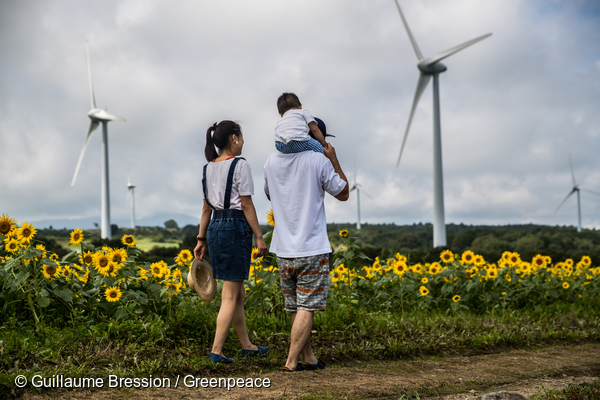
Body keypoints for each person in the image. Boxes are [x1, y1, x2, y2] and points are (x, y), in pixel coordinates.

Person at [263, 136, 349, 371]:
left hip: (283, 250)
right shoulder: (318, 161)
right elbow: (343, 193)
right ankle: (291, 363)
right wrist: (333, 159)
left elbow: (270, 194)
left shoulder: (271, 161)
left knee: (295, 306)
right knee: (307, 307)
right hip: (311, 248)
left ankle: (308, 358)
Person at [194, 120, 268, 364]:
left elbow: (206, 209)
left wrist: (201, 238)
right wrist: (259, 235)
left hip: (215, 227)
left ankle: (247, 345)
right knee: (230, 295)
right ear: (234, 138)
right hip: (235, 228)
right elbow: (246, 204)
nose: (244, 142)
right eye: (242, 137)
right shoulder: (240, 165)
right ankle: (217, 351)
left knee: (237, 294)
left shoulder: (208, 168)